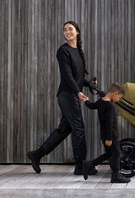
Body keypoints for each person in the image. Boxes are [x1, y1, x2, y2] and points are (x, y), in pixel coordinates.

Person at [27, 21, 97, 175]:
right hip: (67, 95)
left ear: (77, 32)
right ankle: (80, 167)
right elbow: (66, 75)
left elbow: (77, 77)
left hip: (71, 94)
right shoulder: (63, 51)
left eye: (70, 29)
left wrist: (89, 83)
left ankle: (36, 154)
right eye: (65, 30)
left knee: (64, 129)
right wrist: (78, 92)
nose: (67, 32)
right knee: (78, 130)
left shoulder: (77, 51)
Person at [79, 83, 131, 183]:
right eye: (119, 97)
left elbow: (92, 105)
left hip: (104, 135)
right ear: (115, 94)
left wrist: (85, 100)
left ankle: (88, 164)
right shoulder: (110, 106)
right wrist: (109, 138)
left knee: (109, 154)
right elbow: (109, 123)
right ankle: (116, 176)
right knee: (116, 154)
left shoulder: (101, 101)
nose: (119, 100)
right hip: (111, 135)